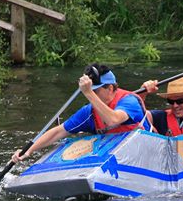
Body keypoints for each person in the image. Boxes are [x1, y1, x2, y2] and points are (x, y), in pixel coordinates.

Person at [12, 63, 152, 163]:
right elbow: (59, 132)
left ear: (110, 88)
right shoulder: (89, 112)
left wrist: (88, 93)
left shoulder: (130, 102)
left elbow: (113, 120)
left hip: (144, 153)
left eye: (95, 91)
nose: (92, 95)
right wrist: (28, 151)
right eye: (90, 91)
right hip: (117, 156)